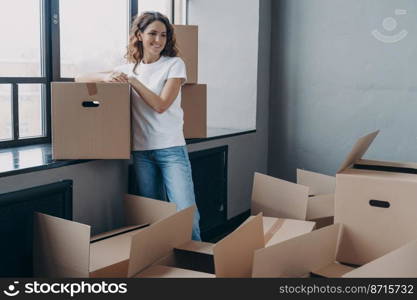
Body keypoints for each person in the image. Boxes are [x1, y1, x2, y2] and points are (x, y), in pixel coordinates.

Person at [76, 11, 201, 241]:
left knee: (186, 213)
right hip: (141, 151)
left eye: (163, 35)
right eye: (152, 33)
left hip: (171, 149)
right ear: (139, 35)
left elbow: (161, 104)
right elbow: (79, 78)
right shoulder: (127, 69)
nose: (158, 40)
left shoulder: (174, 64)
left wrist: (133, 81)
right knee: (151, 217)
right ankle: (160, 264)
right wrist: (106, 78)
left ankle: (198, 267)